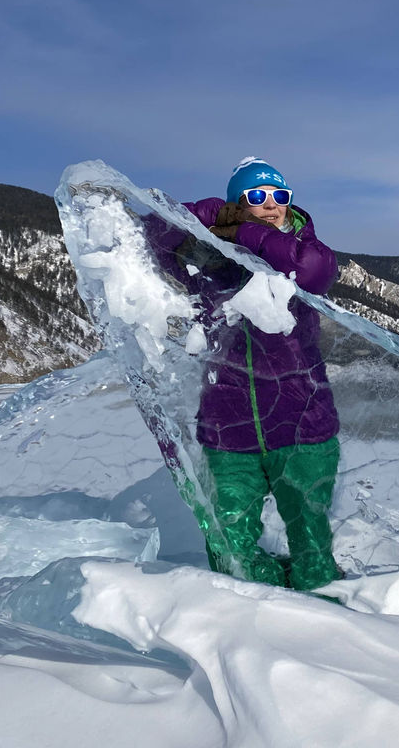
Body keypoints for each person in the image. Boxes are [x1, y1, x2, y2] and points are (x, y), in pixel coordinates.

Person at [145, 157, 342, 591]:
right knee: (229, 548)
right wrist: (214, 218)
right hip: (228, 432)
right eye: (256, 197)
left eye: (279, 196)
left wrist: (245, 232)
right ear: (238, 203)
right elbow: (154, 236)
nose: (271, 205)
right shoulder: (207, 263)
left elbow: (311, 270)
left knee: (313, 546)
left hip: (303, 430)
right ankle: (256, 622)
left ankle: (326, 623)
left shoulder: (306, 248)